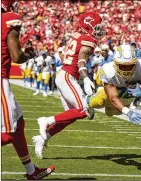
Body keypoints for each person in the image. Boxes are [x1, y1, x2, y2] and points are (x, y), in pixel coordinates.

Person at [33, 12, 106, 159]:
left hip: (64, 75)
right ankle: (46, 121)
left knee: (70, 117)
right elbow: (81, 61)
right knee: (82, 109)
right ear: (89, 26)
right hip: (68, 76)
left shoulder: (77, 35)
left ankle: (43, 138)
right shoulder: (88, 40)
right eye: (96, 26)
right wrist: (85, 78)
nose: (99, 30)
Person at [1, 0, 55, 179]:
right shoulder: (9, 19)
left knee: (19, 123)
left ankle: (31, 171)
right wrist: (29, 54)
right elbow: (16, 56)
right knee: (8, 134)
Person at [87, 44, 141, 118]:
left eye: (130, 65)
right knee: (97, 102)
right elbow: (113, 98)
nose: (127, 69)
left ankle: (110, 107)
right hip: (114, 89)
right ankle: (87, 100)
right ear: (115, 63)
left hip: (129, 95)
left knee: (111, 112)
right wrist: (128, 112)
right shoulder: (108, 70)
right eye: (123, 66)